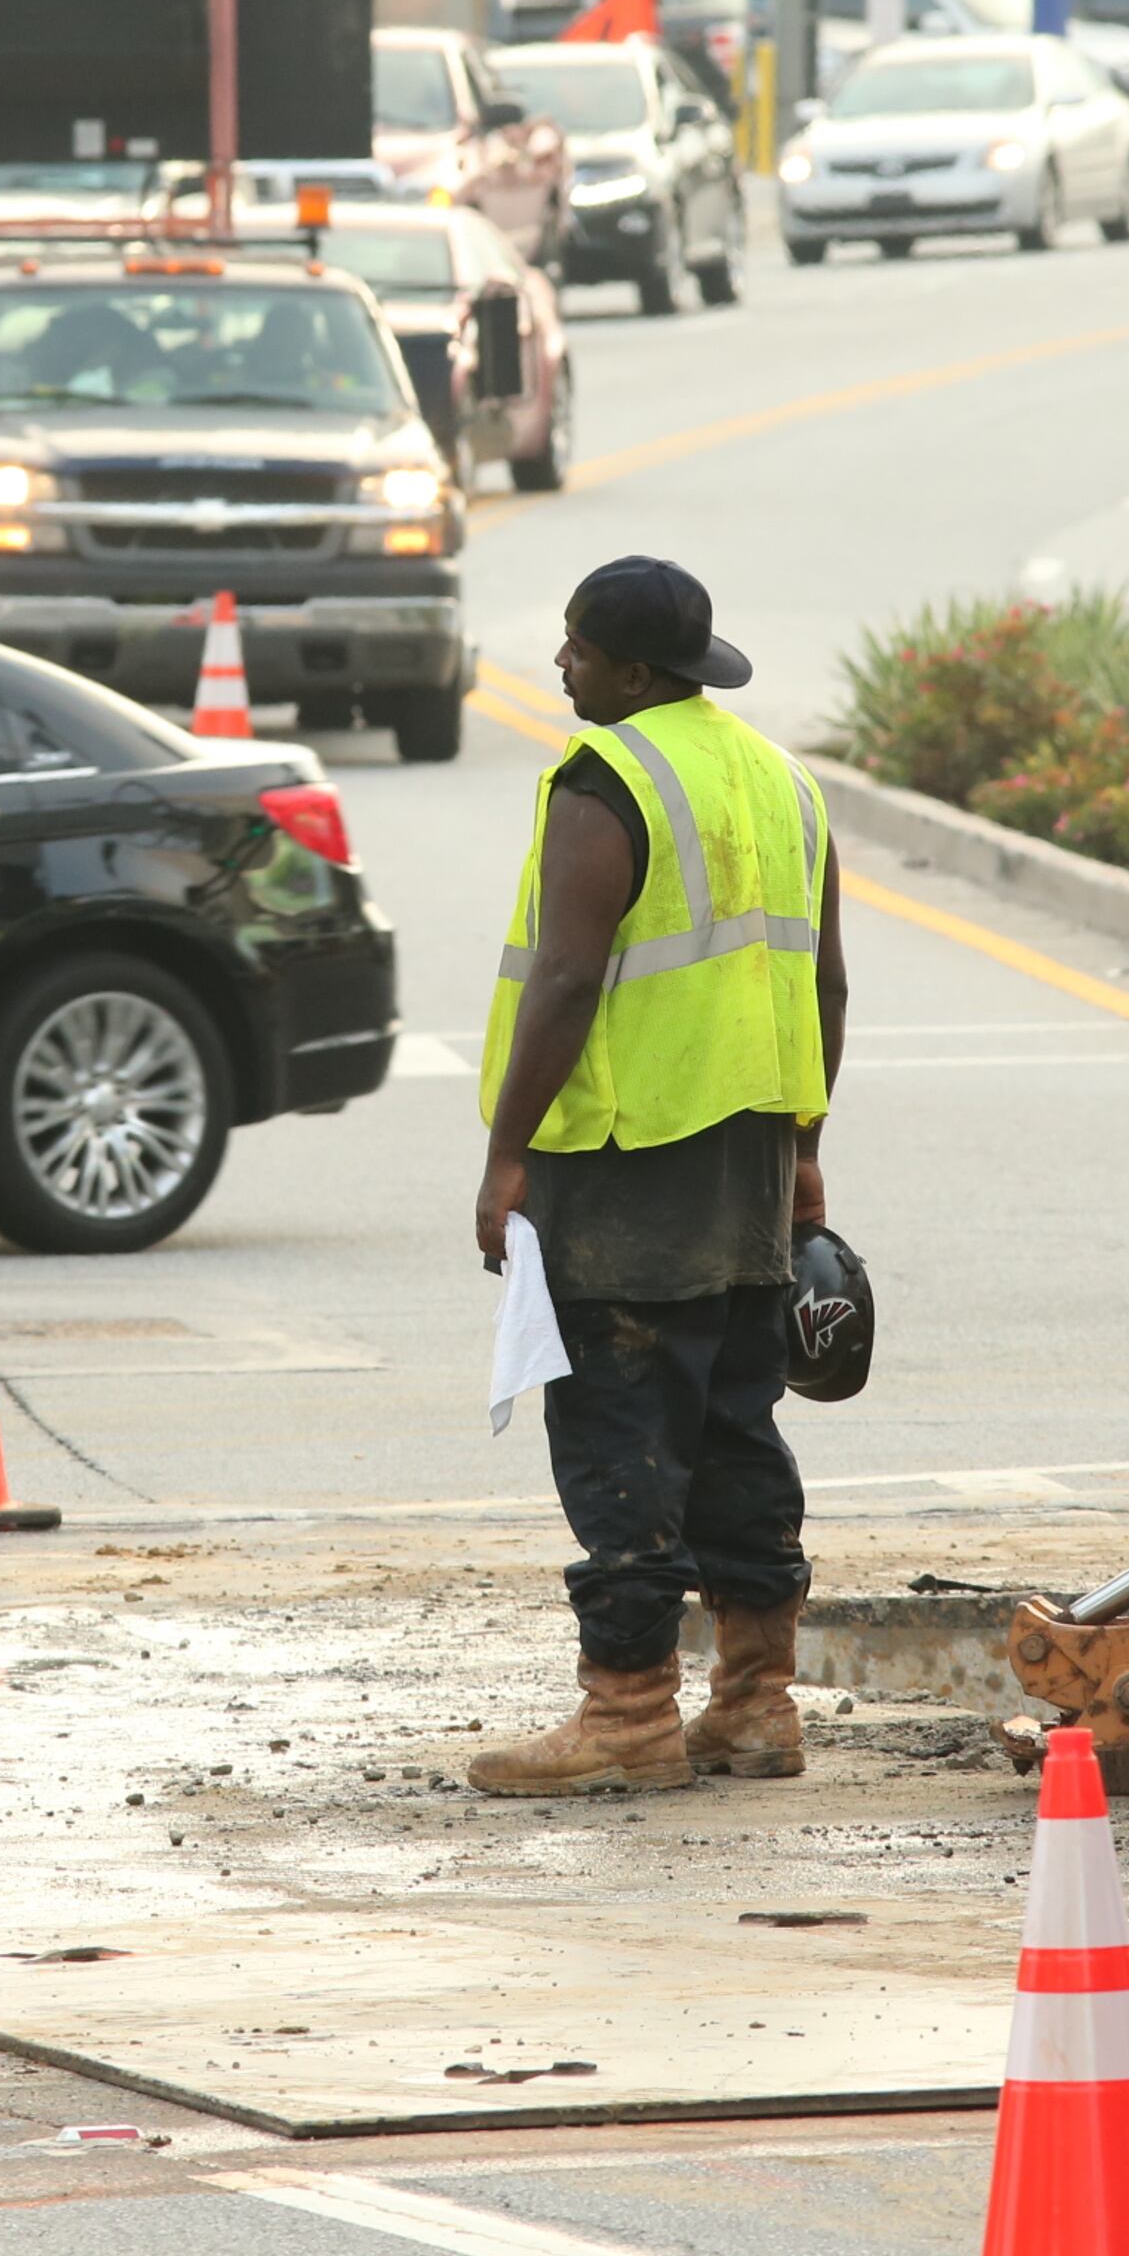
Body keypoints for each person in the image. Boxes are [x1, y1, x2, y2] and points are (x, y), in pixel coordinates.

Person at [470, 555, 848, 1796]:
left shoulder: (607, 779)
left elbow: (569, 979)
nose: (562, 665)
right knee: (737, 1417)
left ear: (635, 671)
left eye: (577, 648)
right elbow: (823, 983)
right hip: (747, 1156)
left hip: (628, 1158)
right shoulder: (780, 779)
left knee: (620, 1418)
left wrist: (508, 1150)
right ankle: (755, 1702)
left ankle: (628, 1712)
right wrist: (802, 1150)